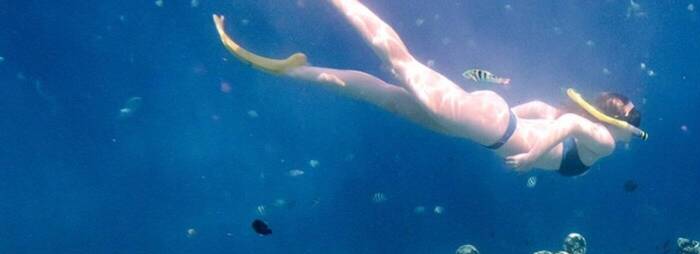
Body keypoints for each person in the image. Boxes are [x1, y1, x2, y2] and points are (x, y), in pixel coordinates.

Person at [212, 0, 645, 177]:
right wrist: (531, 155)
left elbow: (542, 109)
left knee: (382, 94)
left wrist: (503, 116)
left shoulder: (588, 130)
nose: (632, 131)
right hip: (491, 127)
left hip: (488, 124)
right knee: (400, 63)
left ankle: (292, 72)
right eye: (634, 123)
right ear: (620, 123)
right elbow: (569, 123)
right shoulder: (604, 141)